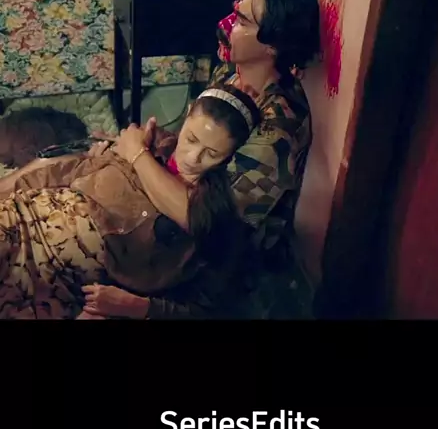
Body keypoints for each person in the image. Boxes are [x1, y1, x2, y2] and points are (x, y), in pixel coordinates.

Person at [100, 0, 321, 257]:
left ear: (273, 45)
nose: (224, 24)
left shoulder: (278, 126)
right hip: (181, 199)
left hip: (220, 251)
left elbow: (209, 224)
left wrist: (137, 155)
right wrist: (159, 144)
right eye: (234, 13)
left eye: (241, 21)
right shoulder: (230, 72)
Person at [0, 85, 260, 320]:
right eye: (191, 139)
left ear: (229, 156)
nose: (193, 158)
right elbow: (70, 168)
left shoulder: (212, 213)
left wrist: (138, 306)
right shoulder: (152, 144)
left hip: (57, 275)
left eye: (212, 153)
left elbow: (207, 305)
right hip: (22, 219)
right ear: (188, 114)